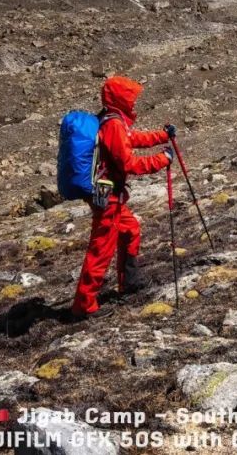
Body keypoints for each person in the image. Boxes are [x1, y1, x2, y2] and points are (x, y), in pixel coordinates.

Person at [71, 75, 175, 318]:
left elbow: (133, 139)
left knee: (130, 230)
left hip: (112, 196)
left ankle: (129, 282)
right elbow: (128, 163)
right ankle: (83, 307)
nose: (134, 102)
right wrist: (162, 160)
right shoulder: (113, 125)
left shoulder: (112, 120)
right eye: (131, 97)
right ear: (121, 98)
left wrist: (162, 136)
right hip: (108, 199)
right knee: (101, 250)